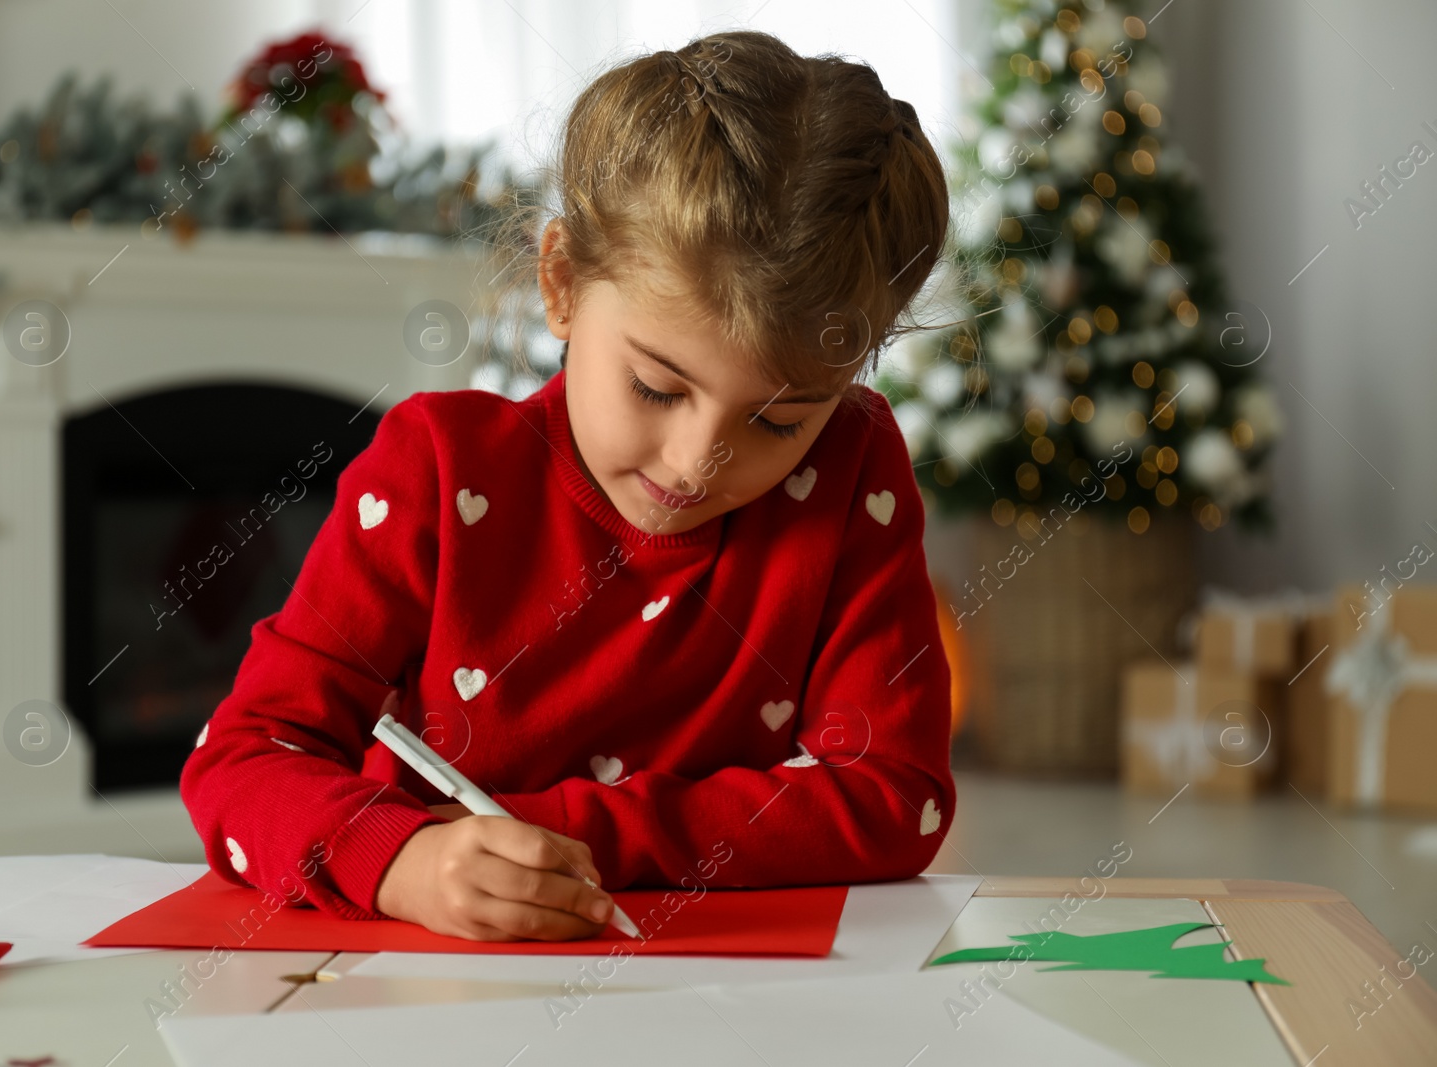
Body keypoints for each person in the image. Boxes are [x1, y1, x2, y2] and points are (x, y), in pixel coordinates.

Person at [181, 28, 954, 943]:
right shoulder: (436, 468)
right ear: (559, 284)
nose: (697, 460)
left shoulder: (852, 465)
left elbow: (897, 796)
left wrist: (562, 835)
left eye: (780, 421)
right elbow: (239, 762)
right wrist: (403, 860)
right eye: (657, 387)